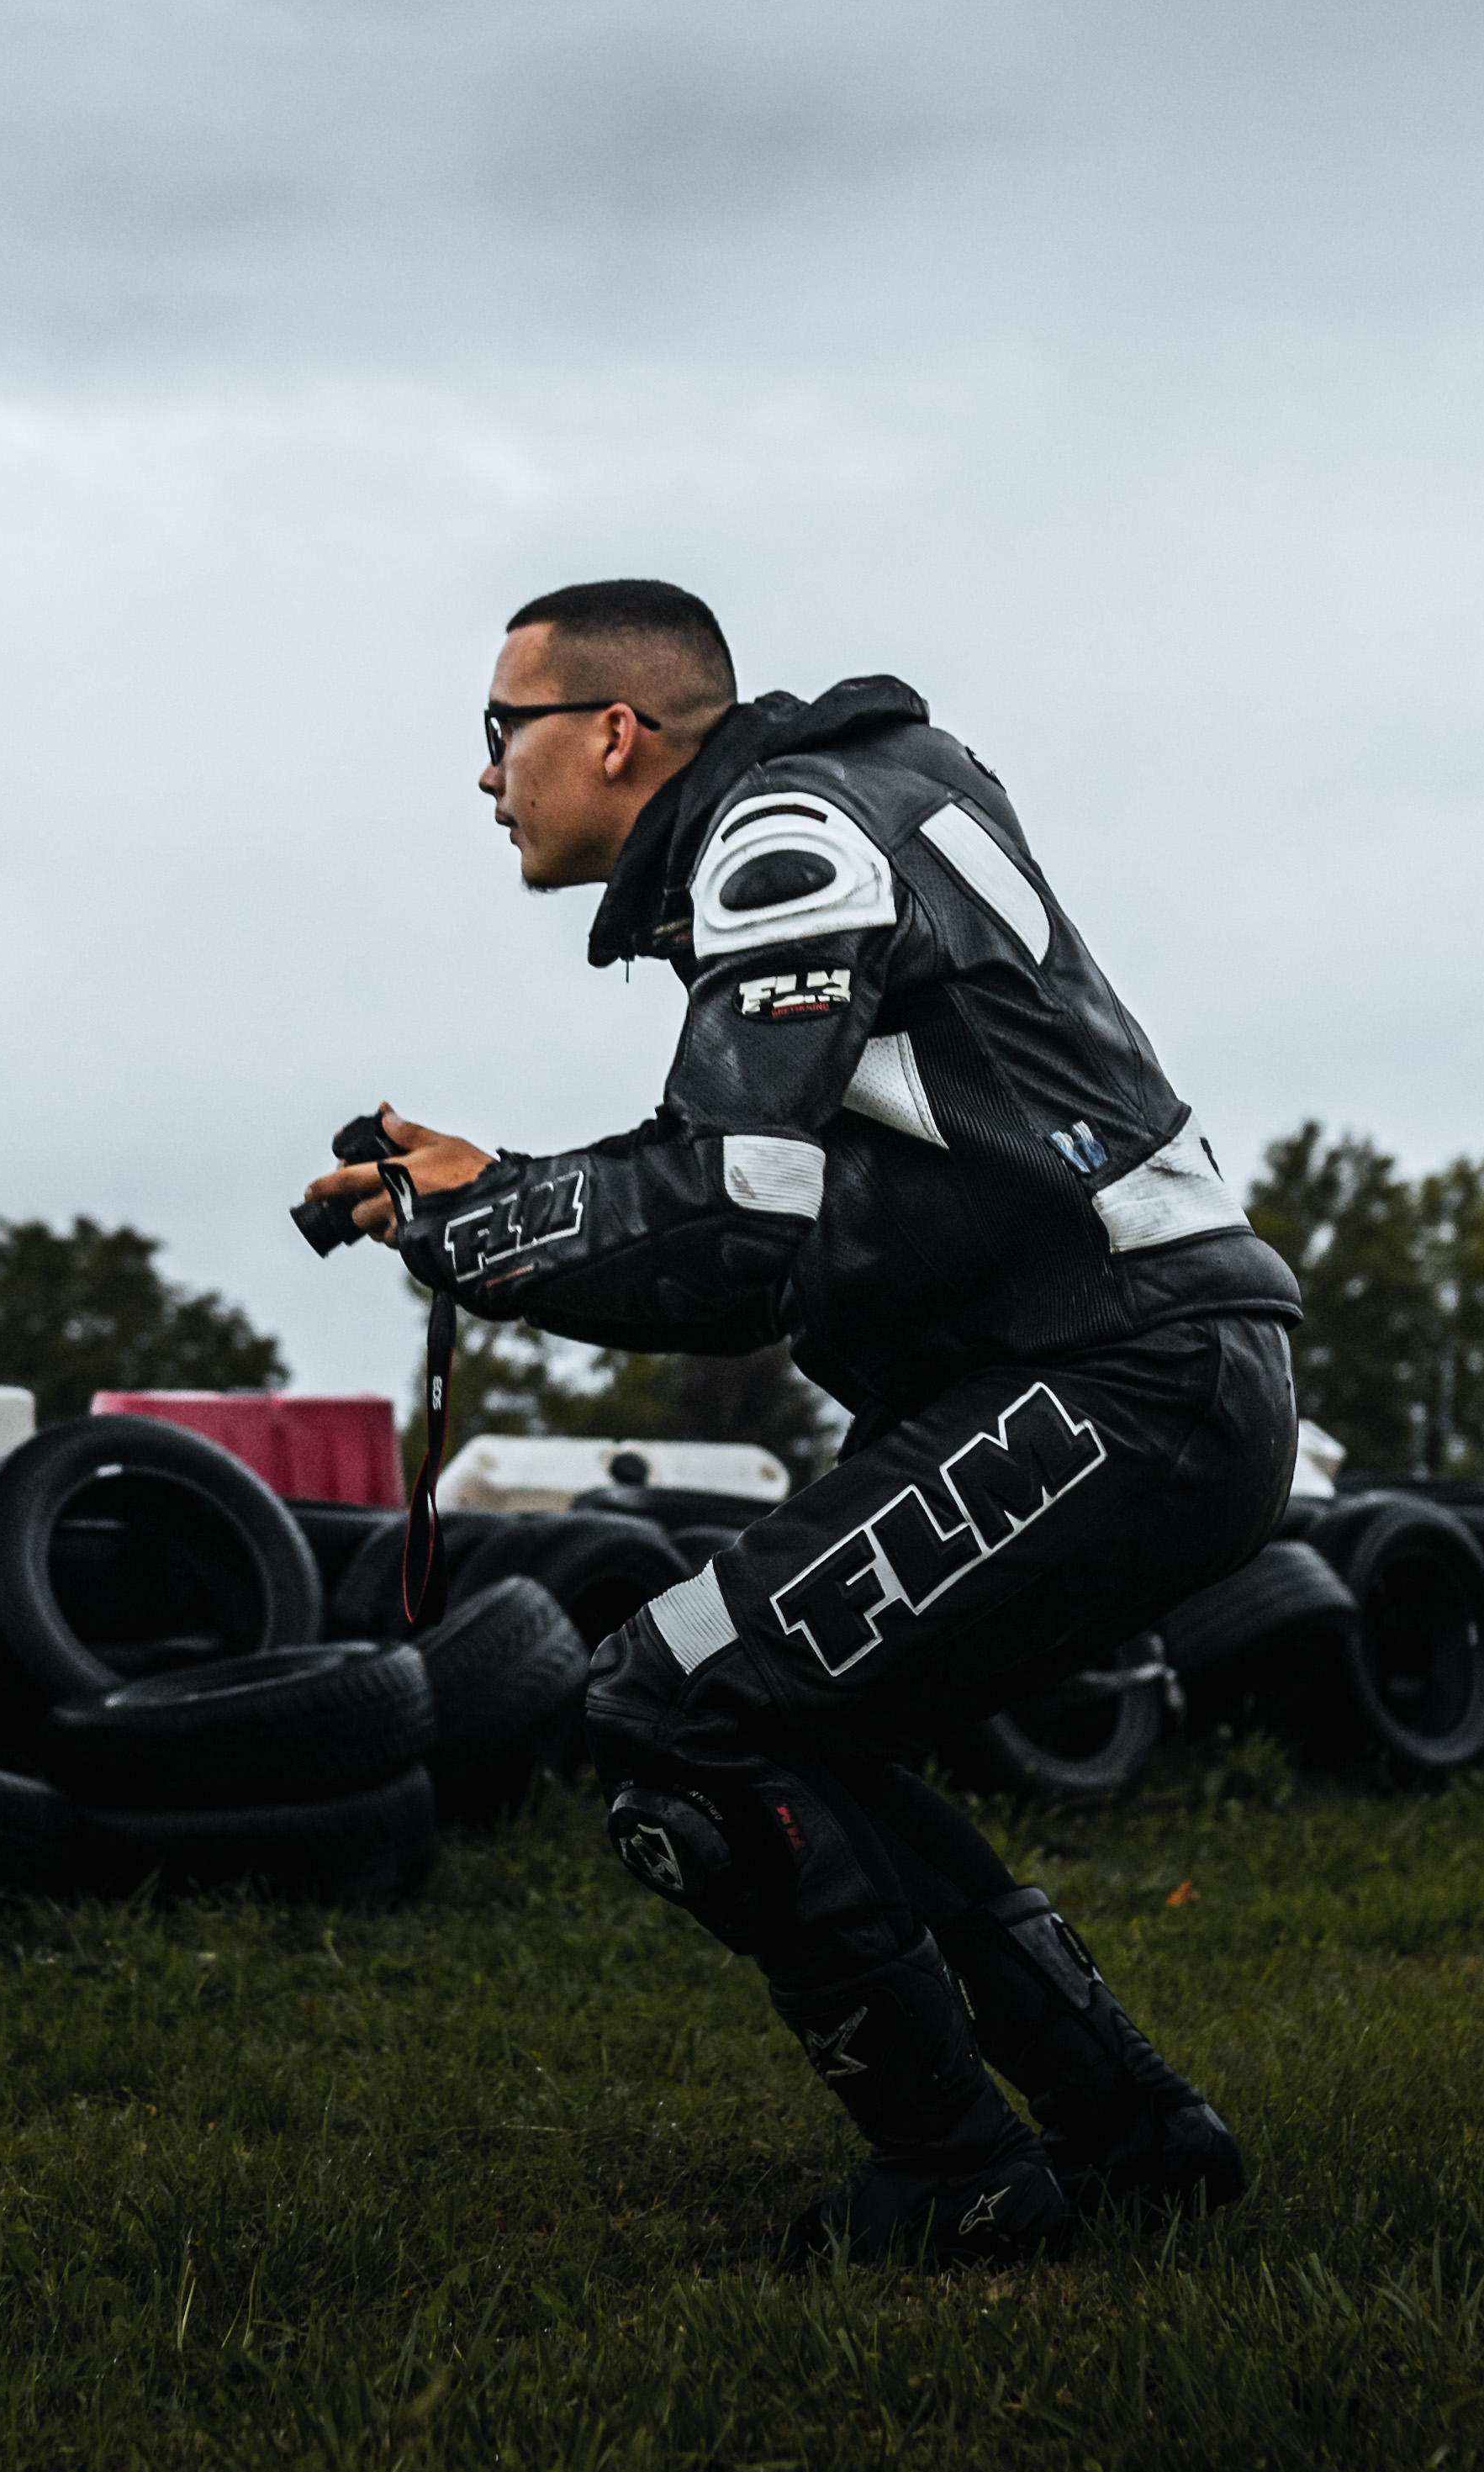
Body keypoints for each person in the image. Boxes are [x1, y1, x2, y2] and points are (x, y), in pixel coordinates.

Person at [303, 578, 1301, 2269]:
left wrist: (464, 1225)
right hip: (1134, 1366)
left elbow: (727, 1230)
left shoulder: (779, 838)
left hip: (1117, 1374)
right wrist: (508, 1186)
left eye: (499, 731)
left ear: (613, 732)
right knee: (792, 1721)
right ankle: (1128, 2131)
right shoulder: (844, 799)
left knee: (667, 1702)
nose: (484, 775)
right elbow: (755, 1189)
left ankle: (957, 2177)